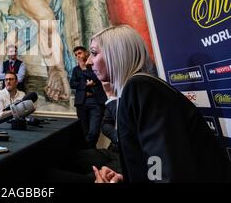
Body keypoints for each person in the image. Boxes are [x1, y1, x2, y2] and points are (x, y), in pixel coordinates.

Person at [88, 25, 231, 183]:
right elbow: (154, 162)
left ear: (115, 54)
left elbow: (163, 169)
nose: (89, 61)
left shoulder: (141, 87)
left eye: (94, 53)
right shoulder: (138, 87)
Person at [70, 46, 106, 148]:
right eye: (76, 55)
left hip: (96, 102)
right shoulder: (75, 69)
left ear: (86, 53)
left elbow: (98, 79)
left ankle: (88, 151)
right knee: (84, 133)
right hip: (81, 103)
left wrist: (84, 69)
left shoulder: (95, 65)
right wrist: (85, 85)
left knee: (94, 132)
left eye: (80, 53)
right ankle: (91, 153)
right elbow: (72, 83)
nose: (78, 56)